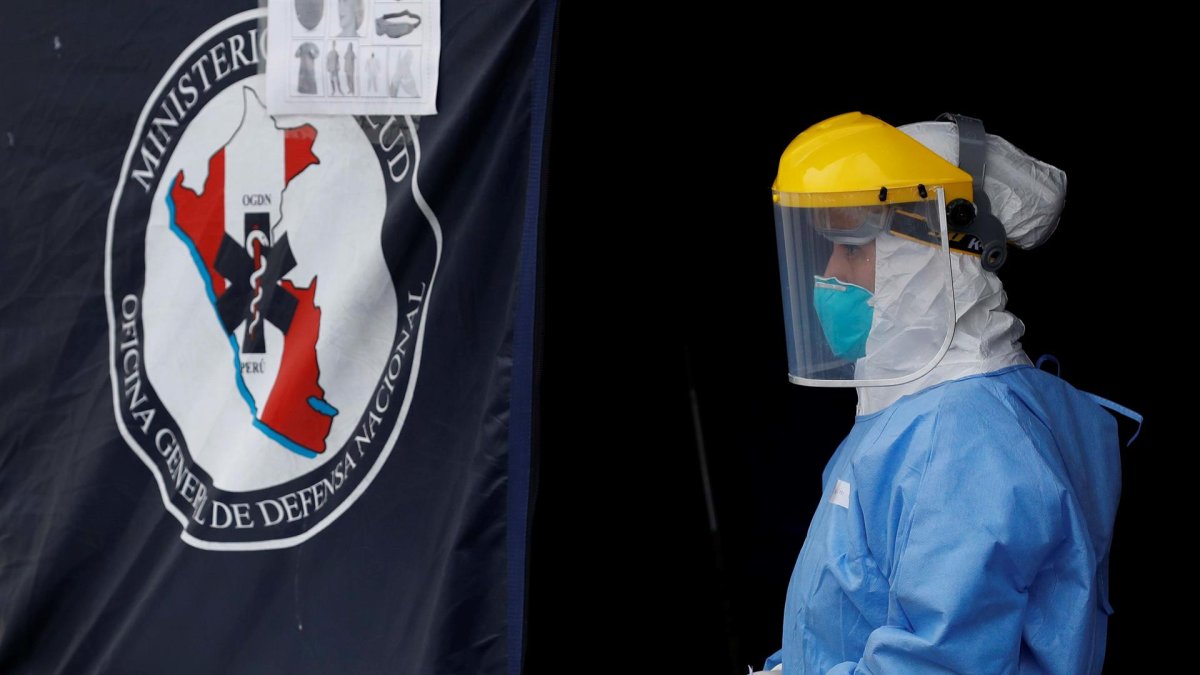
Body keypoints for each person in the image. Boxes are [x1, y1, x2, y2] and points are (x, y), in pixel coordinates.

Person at [760, 112, 1138, 673]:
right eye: (830, 250)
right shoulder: (921, 412)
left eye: (855, 250)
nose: (830, 273)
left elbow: (941, 663)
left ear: (930, 260)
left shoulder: (963, 434)